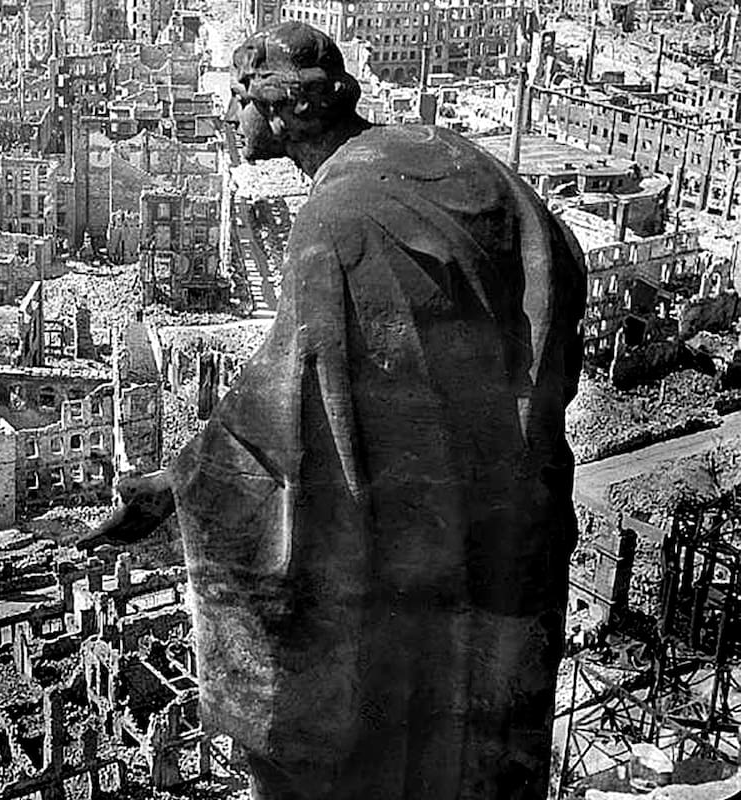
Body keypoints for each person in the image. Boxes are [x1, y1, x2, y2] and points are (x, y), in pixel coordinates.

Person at [79, 21, 586, 800]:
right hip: (503, 521)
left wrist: (174, 486)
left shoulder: (335, 225)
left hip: (415, 555)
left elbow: (290, 416)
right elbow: (555, 265)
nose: (230, 115)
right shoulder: (444, 158)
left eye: (240, 98)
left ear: (287, 111)